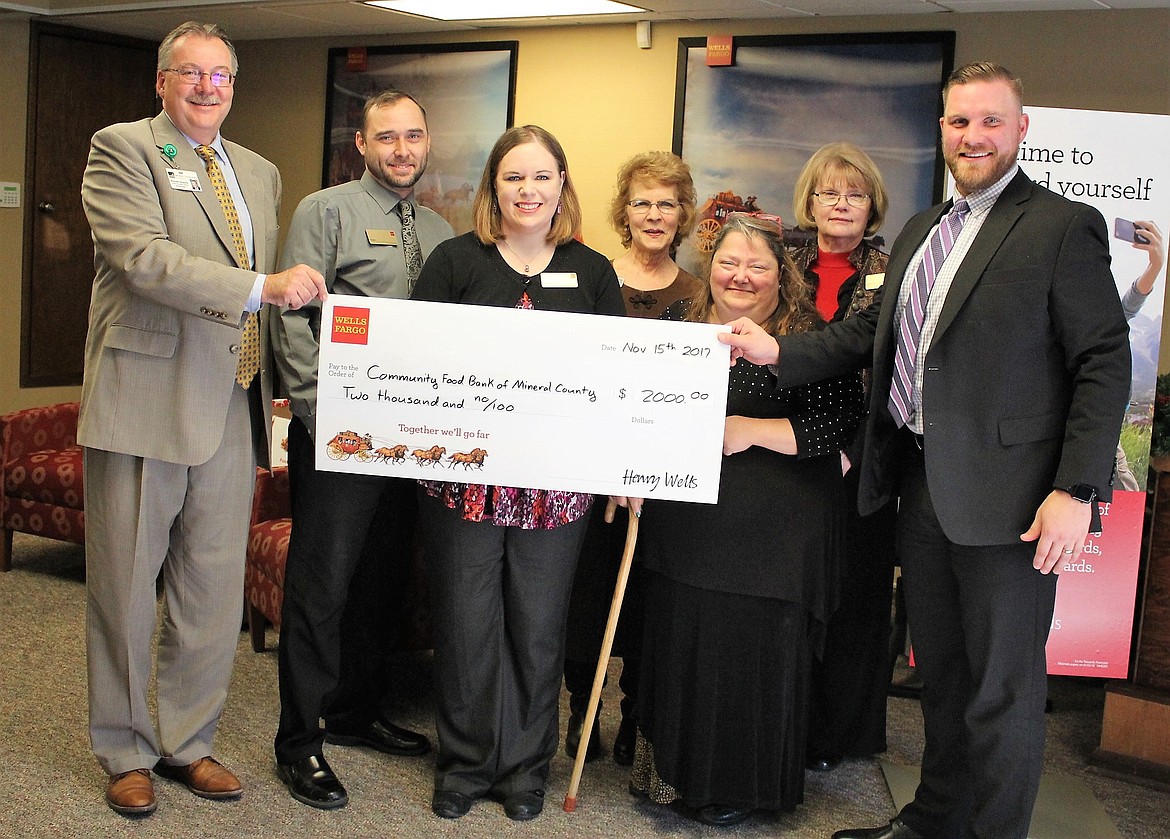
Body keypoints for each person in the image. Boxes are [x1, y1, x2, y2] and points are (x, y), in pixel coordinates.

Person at [719, 62, 1130, 839]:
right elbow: (864, 336)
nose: (972, 136)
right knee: (940, 673)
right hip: (921, 486)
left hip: (1016, 502)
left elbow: (1103, 361)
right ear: (941, 130)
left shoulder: (1060, 225)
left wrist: (1077, 489)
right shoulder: (920, 230)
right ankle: (935, 819)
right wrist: (776, 350)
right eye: (958, 122)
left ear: (1020, 129)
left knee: (1000, 689)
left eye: (989, 121)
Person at [79, 21, 327, 817]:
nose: (207, 88)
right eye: (191, 74)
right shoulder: (123, 149)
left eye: (221, 76)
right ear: (162, 81)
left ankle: (189, 741)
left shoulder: (257, 170)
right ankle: (123, 747)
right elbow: (145, 259)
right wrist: (262, 286)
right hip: (145, 399)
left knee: (210, 587)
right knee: (125, 585)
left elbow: (268, 288)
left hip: (233, 400)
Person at [410, 125, 625, 821]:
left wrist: (628, 462)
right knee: (467, 624)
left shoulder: (592, 272)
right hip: (464, 483)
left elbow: (618, 379)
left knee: (538, 630)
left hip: (556, 492)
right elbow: (416, 365)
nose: (528, 190)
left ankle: (526, 768)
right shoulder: (454, 261)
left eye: (541, 176)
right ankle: (466, 764)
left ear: (562, 184)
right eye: (513, 177)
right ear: (493, 188)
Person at [629, 214, 863, 828]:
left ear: (780, 277)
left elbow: (837, 426)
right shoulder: (677, 323)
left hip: (772, 536)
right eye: (729, 261)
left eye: (758, 265)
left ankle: (742, 785)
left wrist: (747, 432)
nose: (740, 276)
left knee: (747, 655)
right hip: (683, 523)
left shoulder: (804, 336)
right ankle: (669, 776)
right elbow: (636, 404)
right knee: (681, 640)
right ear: (710, 266)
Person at [269, 90, 452, 810]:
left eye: (413, 136)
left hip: (408, 439)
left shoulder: (440, 228)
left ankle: (354, 709)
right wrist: (319, 414)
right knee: (323, 587)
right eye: (387, 138)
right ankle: (298, 740)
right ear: (362, 145)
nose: (402, 150)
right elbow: (295, 317)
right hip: (341, 434)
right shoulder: (328, 210)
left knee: (382, 580)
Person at [562, 150, 701, 766]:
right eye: (642, 201)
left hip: (662, 477)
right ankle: (581, 713)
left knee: (648, 603)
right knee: (587, 596)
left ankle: (635, 715)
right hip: (590, 471)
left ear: (682, 214)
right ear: (625, 211)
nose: (653, 214)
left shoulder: (701, 294)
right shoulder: (592, 278)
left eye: (666, 203)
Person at [788, 142, 896, 770]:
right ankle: (787, 720)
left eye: (855, 193)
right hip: (788, 450)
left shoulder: (896, 268)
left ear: (872, 204)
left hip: (862, 458)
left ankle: (838, 737)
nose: (841, 203)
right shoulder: (782, 261)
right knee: (795, 595)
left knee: (854, 603)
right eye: (829, 192)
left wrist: (855, 448)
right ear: (810, 200)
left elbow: (899, 371)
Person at [1114, 220, 1163, 490]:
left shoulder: (1109, 319)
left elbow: (1132, 300)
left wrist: (1155, 265)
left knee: (1124, 487)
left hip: (1105, 426)